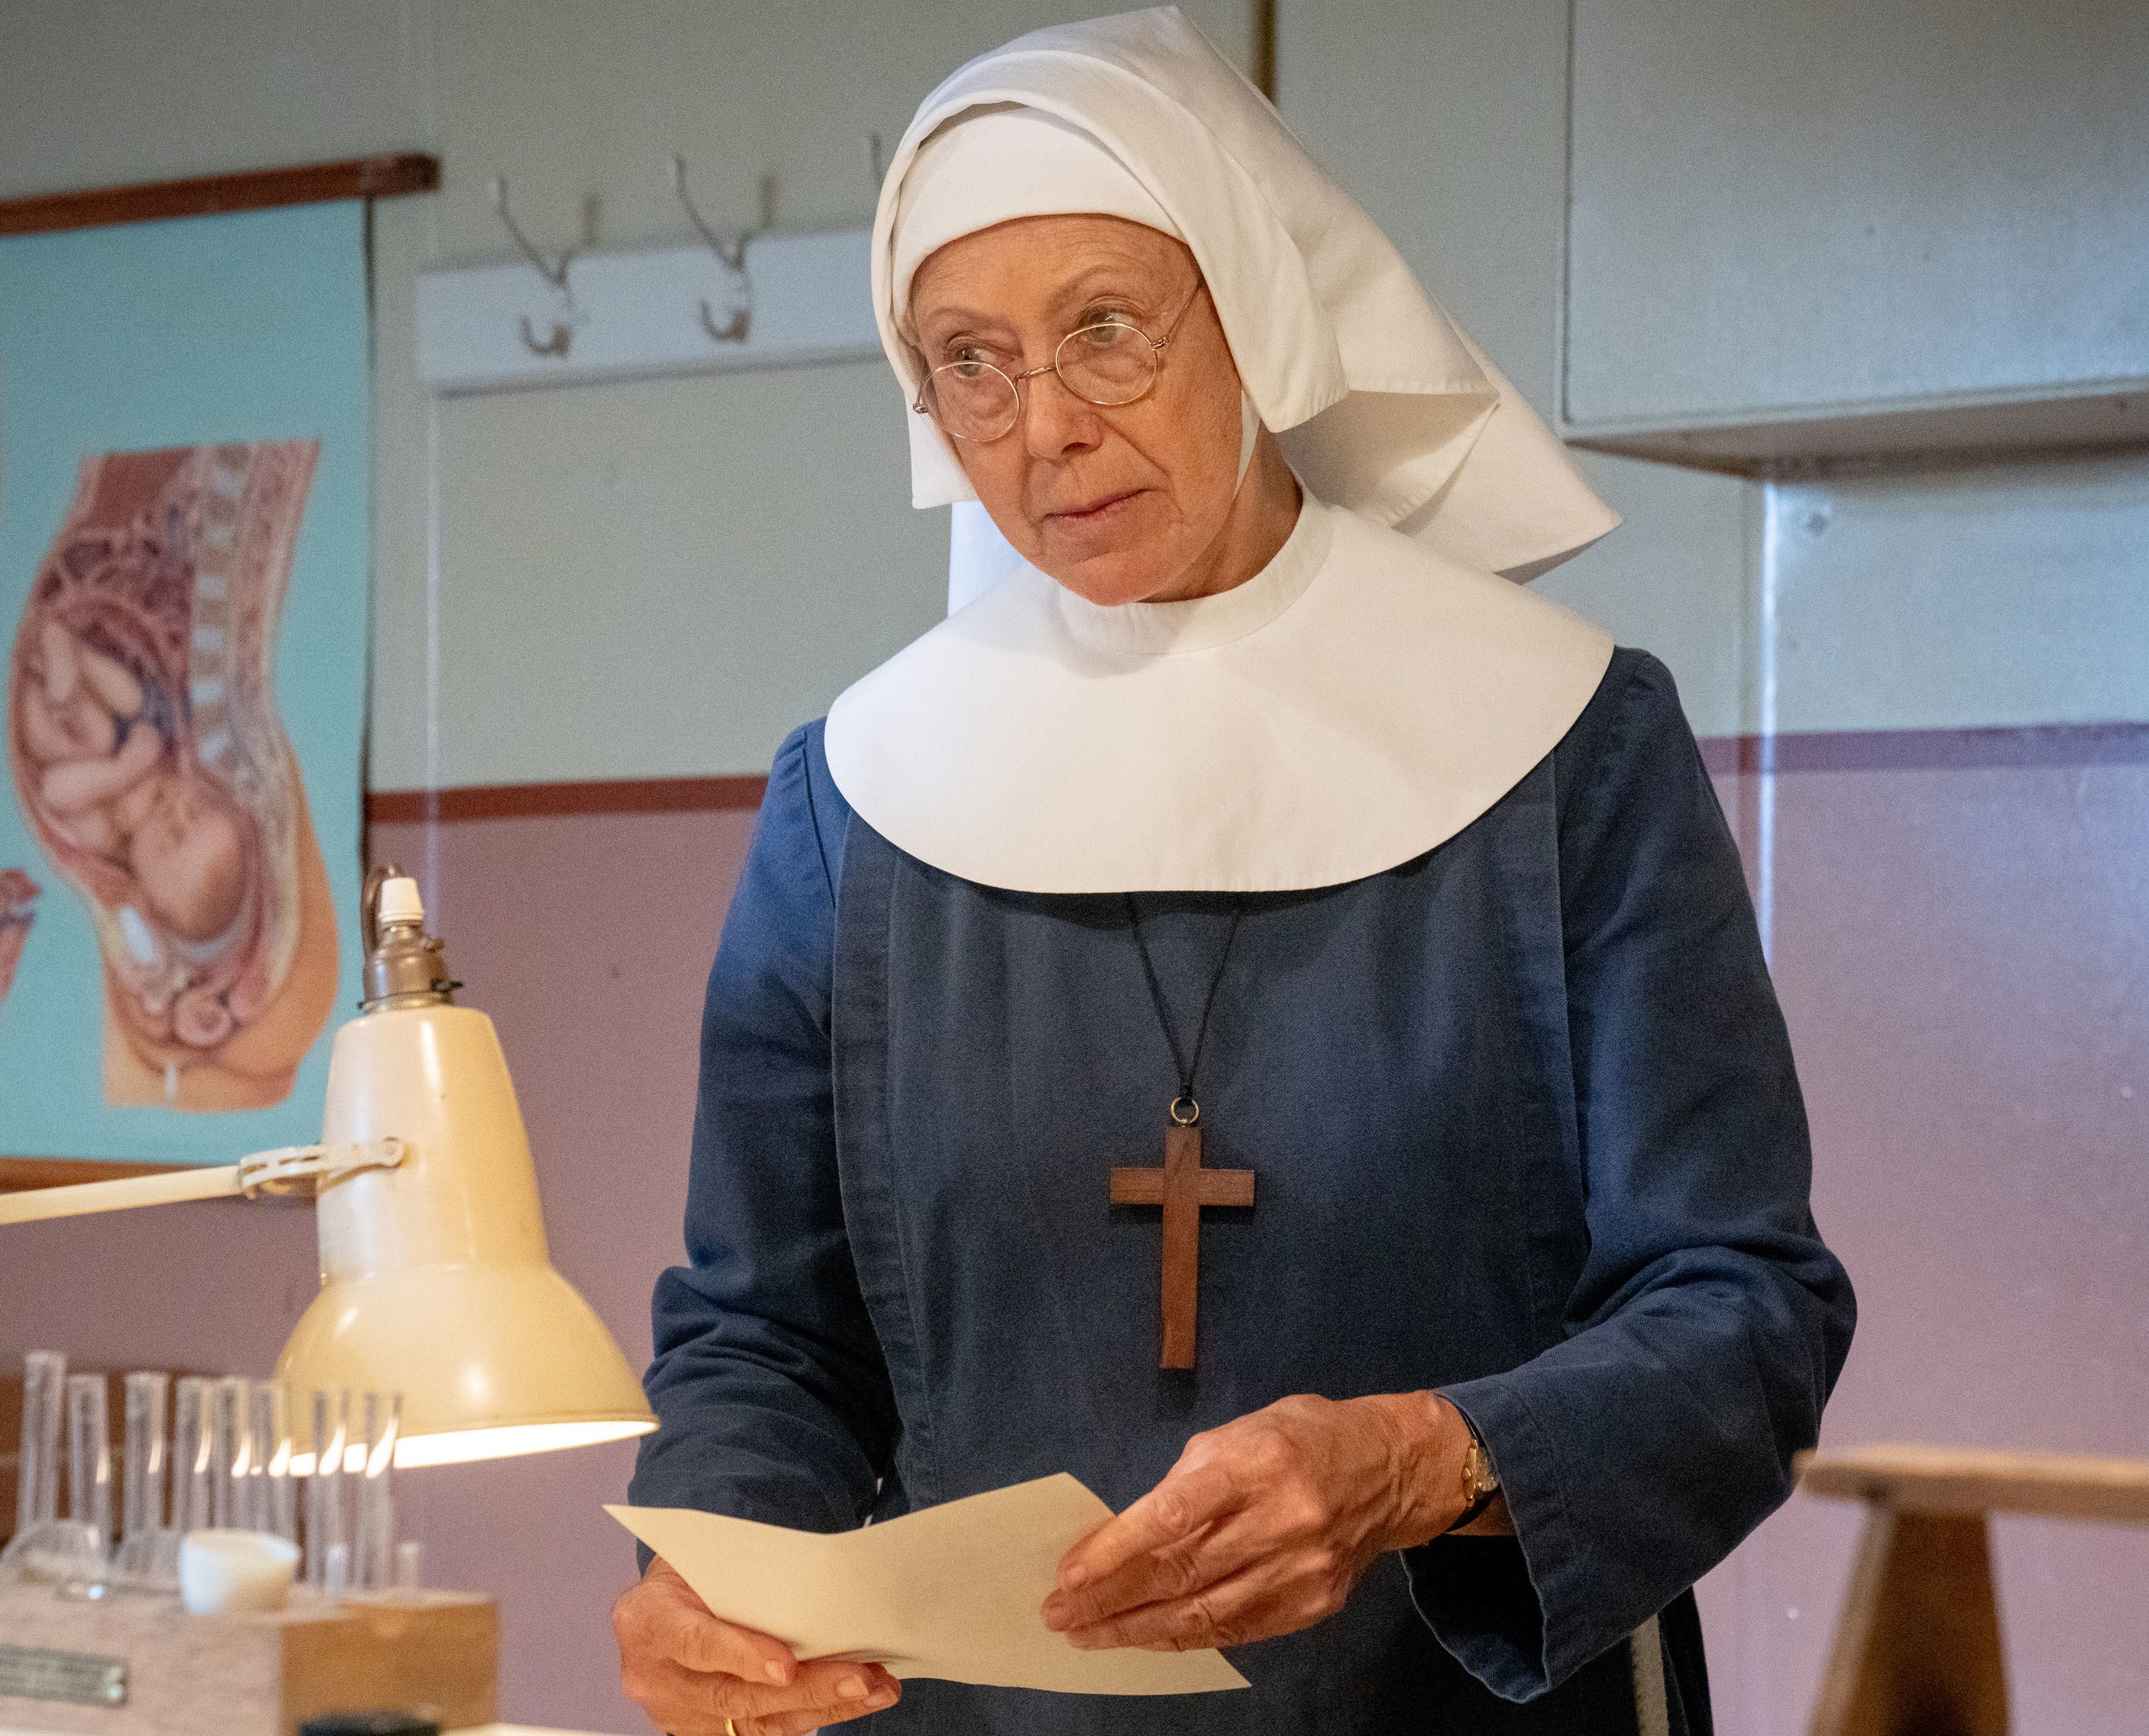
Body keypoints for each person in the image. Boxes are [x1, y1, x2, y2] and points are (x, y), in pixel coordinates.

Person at [616, 11, 1854, 1734]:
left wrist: (1423, 1462)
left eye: (1105, 330)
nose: (1041, 424)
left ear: (1257, 313)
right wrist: (720, 1573)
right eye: (966, 361)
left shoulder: (1563, 745)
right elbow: (766, 1341)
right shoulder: (857, 800)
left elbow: (1742, 1310)